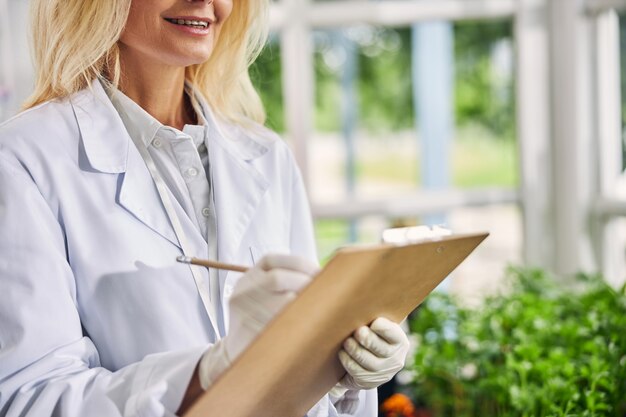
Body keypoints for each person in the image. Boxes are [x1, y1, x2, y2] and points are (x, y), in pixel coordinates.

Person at [0, 0, 410, 415]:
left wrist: (344, 373)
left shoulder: (266, 156)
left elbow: (301, 376)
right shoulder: (23, 160)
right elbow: (32, 398)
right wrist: (208, 373)